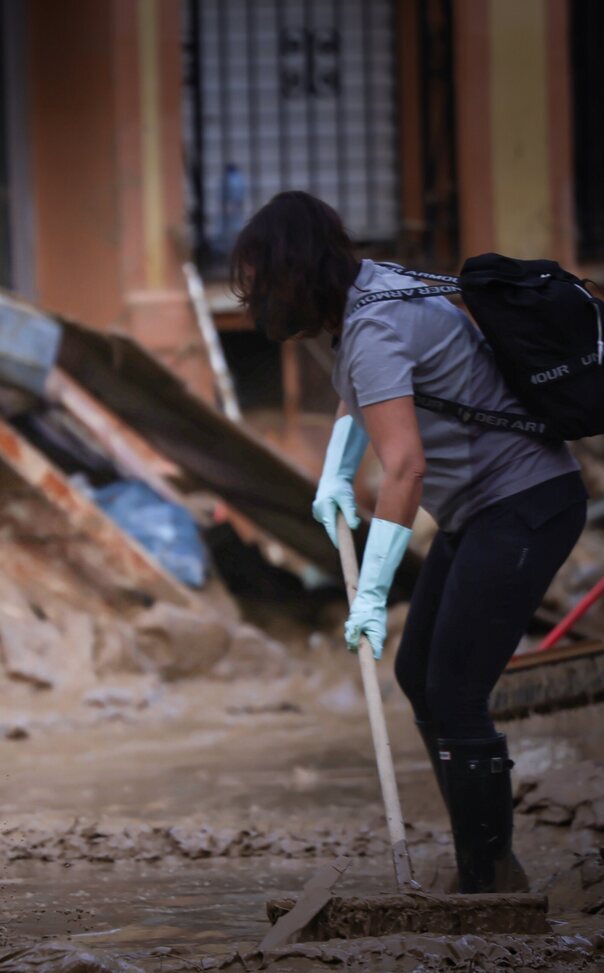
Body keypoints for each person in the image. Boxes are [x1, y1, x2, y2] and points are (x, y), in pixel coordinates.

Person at [230, 191, 586, 894]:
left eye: (264, 287)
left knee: (455, 689)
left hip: (525, 504)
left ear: (295, 275)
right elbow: (364, 387)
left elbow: (407, 467)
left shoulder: (373, 325)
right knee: (418, 672)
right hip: (481, 510)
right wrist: (336, 467)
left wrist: (368, 592)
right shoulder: (372, 287)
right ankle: (486, 863)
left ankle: (490, 882)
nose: (258, 305)